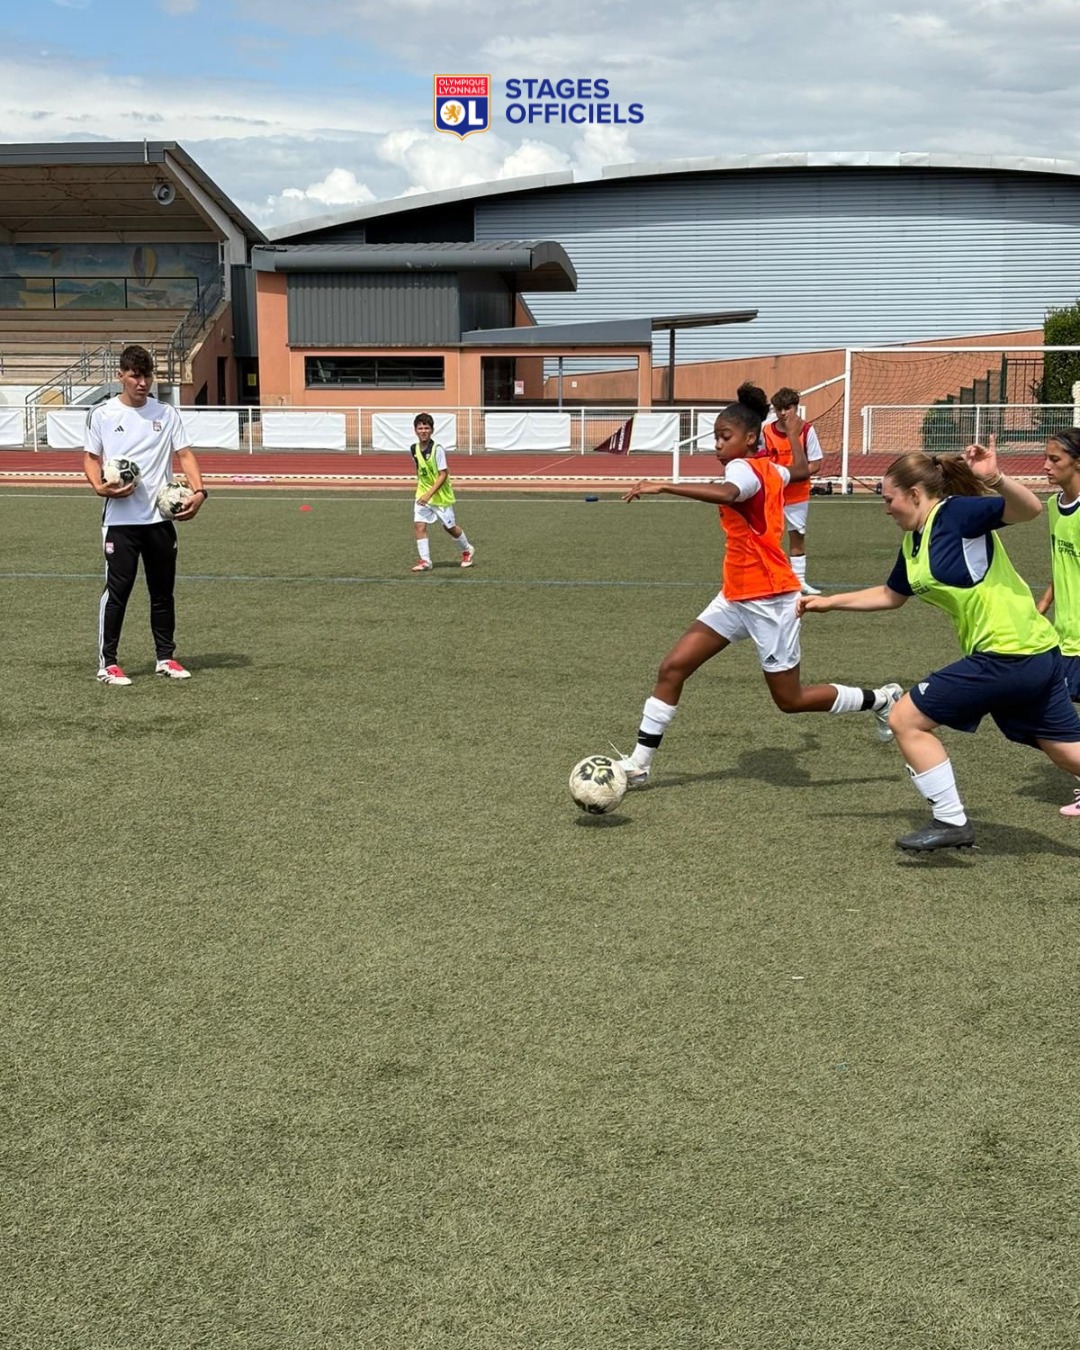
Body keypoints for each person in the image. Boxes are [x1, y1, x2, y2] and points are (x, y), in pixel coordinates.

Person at [615, 382, 901, 788]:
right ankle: (640, 764)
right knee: (673, 667)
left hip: (770, 599)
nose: (717, 445)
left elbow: (731, 493)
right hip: (735, 596)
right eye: (715, 436)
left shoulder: (742, 470)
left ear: (750, 438)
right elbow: (802, 471)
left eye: (725, 437)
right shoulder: (771, 467)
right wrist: (795, 435)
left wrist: (665, 485)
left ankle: (883, 699)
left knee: (791, 700)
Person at [800, 441, 1080, 851]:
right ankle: (951, 822)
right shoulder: (914, 541)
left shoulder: (954, 514)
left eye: (889, 498)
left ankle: (951, 821)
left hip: (1010, 654)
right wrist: (828, 603)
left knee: (905, 718)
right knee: (1066, 753)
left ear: (915, 495)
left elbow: (1029, 510)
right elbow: (892, 594)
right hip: (1030, 653)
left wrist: (995, 479)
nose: (886, 507)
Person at [83, 344, 207, 685]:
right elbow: (91, 458)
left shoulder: (166, 414)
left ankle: (165, 657)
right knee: (117, 591)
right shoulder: (103, 415)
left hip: (160, 520)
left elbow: (185, 454)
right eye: (135, 375)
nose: (142, 382)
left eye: (147, 375)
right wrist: (99, 486)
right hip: (121, 522)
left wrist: (199, 492)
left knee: (163, 591)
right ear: (120, 376)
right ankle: (107, 664)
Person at [1034, 429, 1080, 816]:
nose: (1046, 466)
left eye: (1055, 460)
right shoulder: (1054, 505)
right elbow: (1059, 562)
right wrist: (1043, 606)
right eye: (1046, 458)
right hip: (1065, 632)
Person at [760, 387, 825, 595]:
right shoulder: (766, 431)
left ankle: (799, 581)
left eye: (787, 408)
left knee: (797, 535)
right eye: (778, 409)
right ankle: (771, 579)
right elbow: (761, 460)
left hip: (797, 494)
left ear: (796, 408)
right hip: (773, 493)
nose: (783, 413)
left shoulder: (807, 430)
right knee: (769, 536)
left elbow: (816, 463)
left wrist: (794, 474)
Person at [409, 413, 474, 572]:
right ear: (415, 430)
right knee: (419, 525)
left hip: (440, 496)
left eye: (426, 428)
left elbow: (443, 474)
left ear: (432, 430)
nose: (423, 431)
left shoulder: (437, 450)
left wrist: (429, 494)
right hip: (422, 494)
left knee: (449, 527)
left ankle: (467, 549)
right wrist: (422, 492)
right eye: (420, 428)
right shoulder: (413, 449)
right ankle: (426, 561)